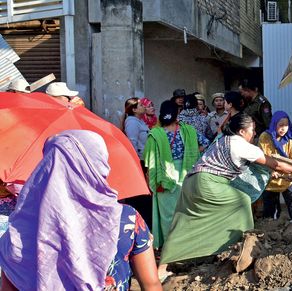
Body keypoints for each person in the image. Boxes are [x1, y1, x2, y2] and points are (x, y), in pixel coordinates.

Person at [157, 113, 292, 278]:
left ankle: (162, 269)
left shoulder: (222, 139)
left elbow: (245, 167)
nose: (254, 133)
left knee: (184, 222)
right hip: (209, 184)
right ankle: (243, 253)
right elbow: (276, 164)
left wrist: (270, 173)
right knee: (242, 202)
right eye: (252, 130)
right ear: (241, 131)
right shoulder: (241, 145)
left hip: (191, 182)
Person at [0, 130, 161, 291]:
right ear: (99, 165)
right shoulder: (127, 219)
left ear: (47, 165)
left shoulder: (19, 229)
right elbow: (151, 285)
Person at [143, 100, 210, 249]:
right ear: (177, 113)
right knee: (186, 212)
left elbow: (149, 161)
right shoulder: (188, 130)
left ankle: (170, 248)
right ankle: (188, 246)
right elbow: (206, 143)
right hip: (187, 175)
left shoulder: (154, 134)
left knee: (168, 216)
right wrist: (193, 153)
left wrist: (150, 180)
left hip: (163, 177)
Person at [258, 111, 292, 221]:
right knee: (270, 213)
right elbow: (262, 158)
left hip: (289, 179)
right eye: (280, 125)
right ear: (274, 124)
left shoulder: (291, 140)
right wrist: (271, 171)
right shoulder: (265, 137)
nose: (284, 128)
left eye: (286, 125)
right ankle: (270, 233)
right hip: (271, 179)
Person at [121, 97, 153, 229]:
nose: (143, 106)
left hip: (143, 159)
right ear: (134, 109)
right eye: (140, 105)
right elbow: (132, 142)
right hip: (138, 160)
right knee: (140, 196)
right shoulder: (132, 122)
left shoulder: (139, 121)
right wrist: (135, 163)